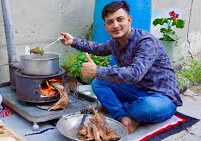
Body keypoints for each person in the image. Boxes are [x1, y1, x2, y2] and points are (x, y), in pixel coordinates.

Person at [60, 1, 182, 133]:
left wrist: (97, 70)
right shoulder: (115, 43)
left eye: (120, 19)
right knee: (98, 82)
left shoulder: (146, 42)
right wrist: (73, 41)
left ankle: (121, 109)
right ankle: (124, 118)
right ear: (106, 26)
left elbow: (135, 73)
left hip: (161, 97)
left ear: (129, 20)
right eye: (110, 22)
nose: (115, 25)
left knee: (145, 107)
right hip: (135, 90)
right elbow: (97, 48)